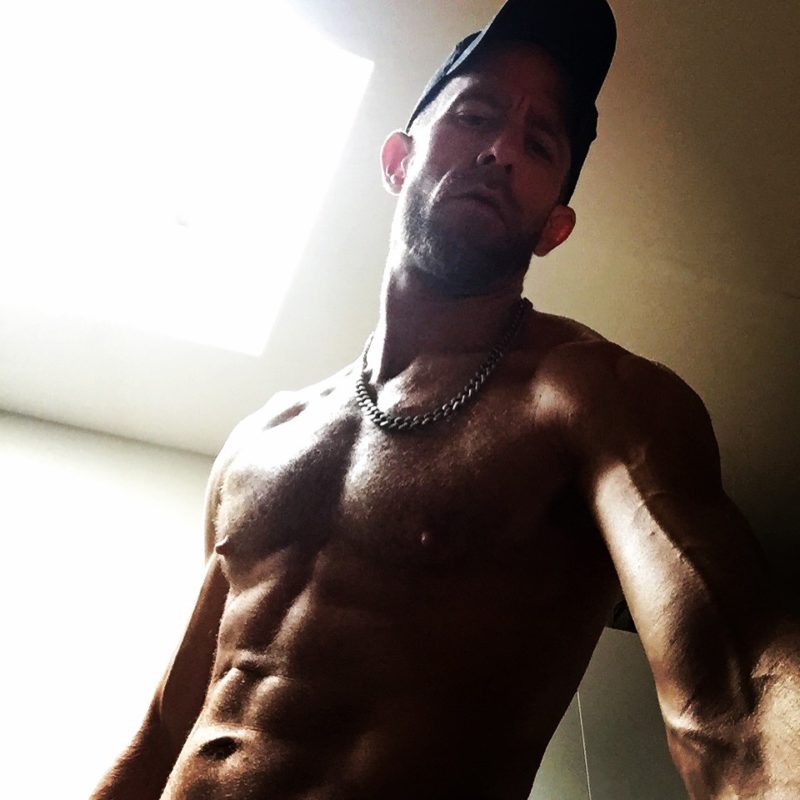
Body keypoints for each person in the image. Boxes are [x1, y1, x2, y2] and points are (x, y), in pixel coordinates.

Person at [92, 1, 799, 798]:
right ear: (397, 160)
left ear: (554, 226)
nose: (502, 150)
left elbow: (738, 700)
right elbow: (162, 734)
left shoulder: (594, 398)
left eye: (539, 143)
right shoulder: (259, 441)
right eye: (476, 114)